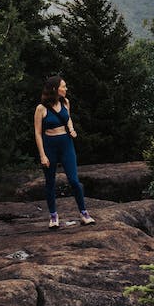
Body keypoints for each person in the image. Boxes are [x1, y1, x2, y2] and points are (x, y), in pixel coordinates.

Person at [34, 76, 95, 229]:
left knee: (74, 180)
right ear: (55, 89)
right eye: (64, 86)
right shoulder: (41, 109)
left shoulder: (66, 102)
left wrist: (72, 129)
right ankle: (53, 217)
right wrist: (42, 155)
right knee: (50, 182)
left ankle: (84, 214)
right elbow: (37, 133)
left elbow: (68, 119)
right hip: (49, 146)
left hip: (66, 144)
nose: (66, 89)